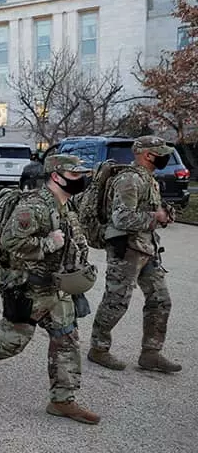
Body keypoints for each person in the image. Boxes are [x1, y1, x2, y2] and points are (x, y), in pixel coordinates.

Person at [0, 154, 101, 425]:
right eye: (75, 175)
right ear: (56, 176)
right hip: (30, 289)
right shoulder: (35, 206)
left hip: (58, 288)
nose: (81, 179)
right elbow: (10, 241)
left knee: (66, 340)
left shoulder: (66, 205)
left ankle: (62, 400)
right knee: (10, 344)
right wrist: (49, 243)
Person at [88, 135, 181, 373]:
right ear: (147, 154)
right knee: (116, 302)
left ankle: (151, 353)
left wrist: (163, 213)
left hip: (147, 247)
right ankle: (98, 348)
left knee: (160, 300)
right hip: (125, 249)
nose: (165, 156)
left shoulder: (148, 179)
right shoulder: (129, 179)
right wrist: (155, 217)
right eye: (161, 152)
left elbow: (146, 211)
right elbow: (121, 218)